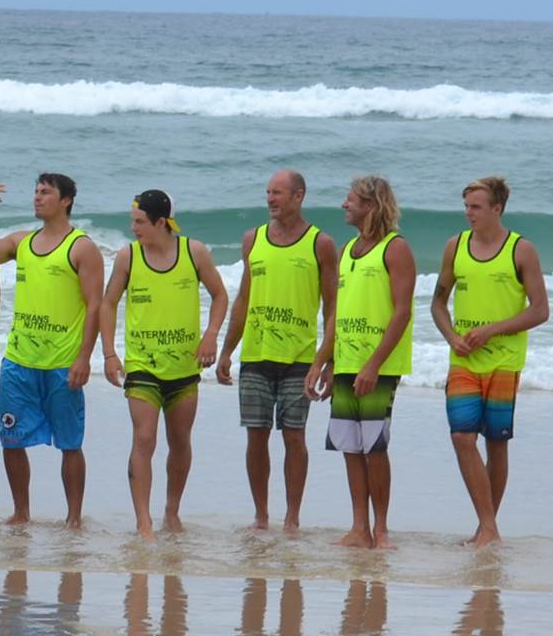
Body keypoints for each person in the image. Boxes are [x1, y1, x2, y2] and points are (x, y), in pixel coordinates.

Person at [98, 189, 230, 535]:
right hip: (142, 365)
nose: (133, 228)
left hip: (184, 368)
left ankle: (172, 511)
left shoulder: (193, 252)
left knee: (180, 441)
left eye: (140, 222)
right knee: (144, 438)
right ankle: (143, 521)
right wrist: (109, 353)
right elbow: (108, 303)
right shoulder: (128, 257)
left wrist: (211, 334)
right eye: (133, 221)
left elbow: (220, 295)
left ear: (161, 222)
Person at [429, 177, 550, 547]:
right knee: (461, 437)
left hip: (504, 362)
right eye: (466, 206)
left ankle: (486, 529)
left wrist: (491, 330)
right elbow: (438, 303)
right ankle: (489, 527)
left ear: (497, 209)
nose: (469, 213)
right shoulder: (455, 246)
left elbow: (540, 310)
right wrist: (451, 337)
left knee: (496, 444)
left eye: (476, 207)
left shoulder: (521, 250)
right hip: (463, 361)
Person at [213, 169, 336, 532]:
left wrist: (327, 361)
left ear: (299, 196)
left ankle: (292, 517)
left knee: (294, 436)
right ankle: (261, 515)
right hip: (256, 354)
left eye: (278, 193)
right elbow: (243, 298)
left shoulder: (320, 243)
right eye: (268, 192)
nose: (270, 199)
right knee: (256, 434)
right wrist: (227, 350)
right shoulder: (253, 239)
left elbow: (333, 307)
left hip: (300, 358)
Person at [0, 173, 105, 526]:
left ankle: (74, 518)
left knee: (70, 443)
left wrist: (84, 357)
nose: (37, 197)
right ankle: (21, 513)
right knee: (11, 439)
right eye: (36, 191)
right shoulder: (22, 242)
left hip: (62, 363)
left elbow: (95, 305)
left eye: (46, 192)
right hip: (19, 360)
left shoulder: (81, 247)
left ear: (65, 200)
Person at [311, 175, 413, 550]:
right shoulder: (348, 249)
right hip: (345, 362)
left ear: (370, 205)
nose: (344, 205)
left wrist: (373, 364)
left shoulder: (395, 248)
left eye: (350, 199)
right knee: (350, 447)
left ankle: (381, 529)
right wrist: (323, 361)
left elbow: (401, 312)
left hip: (378, 366)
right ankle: (359, 528)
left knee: (375, 446)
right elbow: (337, 314)